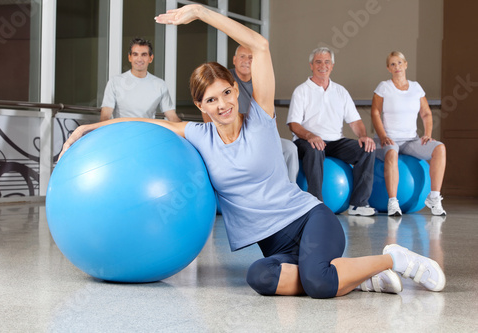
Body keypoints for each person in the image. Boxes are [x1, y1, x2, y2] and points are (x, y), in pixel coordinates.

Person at [60, 4, 445, 298]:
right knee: (258, 276)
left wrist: (200, 12)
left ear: (234, 89)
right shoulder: (198, 135)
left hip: (310, 221)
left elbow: (259, 46)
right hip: (275, 245)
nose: (223, 103)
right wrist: (91, 127)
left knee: (317, 282)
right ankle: (360, 276)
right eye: (211, 100)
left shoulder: (260, 117)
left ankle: (394, 257)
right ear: (202, 107)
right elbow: (144, 123)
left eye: (226, 92)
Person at [287, 47, 377, 216]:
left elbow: (355, 121)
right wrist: (310, 136)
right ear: (311, 66)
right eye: (318, 62)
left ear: (332, 65)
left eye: (327, 62)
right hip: (306, 140)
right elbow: (293, 124)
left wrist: (363, 136)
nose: (323, 65)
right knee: (315, 148)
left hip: (335, 141)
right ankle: (316, 204)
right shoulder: (302, 91)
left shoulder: (340, 91)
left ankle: (358, 204)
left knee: (367, 149)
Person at [201, 44, 299, 183]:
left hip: (258, 136)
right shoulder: (223, 80)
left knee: (290, 148)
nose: (246, 60)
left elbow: (270, 119)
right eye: (242, 56)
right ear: (234, 60)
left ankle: (289, 191)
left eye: (250, 57)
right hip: (231, 138)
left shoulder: (261, 84)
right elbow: (209, 111)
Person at [371, 51, 447, 216]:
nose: (396, 67)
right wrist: (383, 136)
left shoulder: (416, 87)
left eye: (399, 63)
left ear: (405, 64)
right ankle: (393, 202)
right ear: (388, 68)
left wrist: (427, 133)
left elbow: (426, 113)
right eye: (392, 64)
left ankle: (434, 197)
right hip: (389, 139)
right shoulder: (384, 87)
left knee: (440, 148)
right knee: (391, 154)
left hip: (411, 140)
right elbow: (375, 113)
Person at [100, 38, 181, 122]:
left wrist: (186, 132)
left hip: (147, 133)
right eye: (135, 54)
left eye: (144, 55)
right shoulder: (115, 82)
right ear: (129, 57)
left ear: (151, 58)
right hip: (122, 133)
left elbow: (172, 117)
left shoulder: (160, 85)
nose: (139, 59)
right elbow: (105, 117)